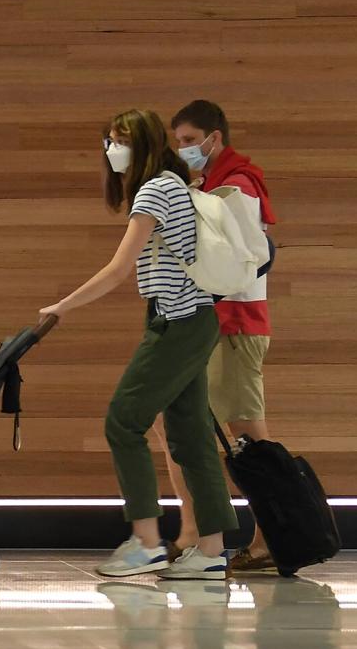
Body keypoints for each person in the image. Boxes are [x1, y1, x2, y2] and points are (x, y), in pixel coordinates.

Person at [39, 108, 238, 580]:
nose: (112, 149)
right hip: (193, 319)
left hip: (178, 323)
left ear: (142, 143)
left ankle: (146, 541)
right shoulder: (173, 183)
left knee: (123, 420)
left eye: (119, 140)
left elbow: (118, 268)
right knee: (191, 438)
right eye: (109, 140)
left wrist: (60, 307)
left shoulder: (156, 189)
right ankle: (210, 552)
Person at [154, 99, 281, 573]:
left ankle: (269, 535)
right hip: (212, 323)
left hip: (234, 323)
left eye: (190, 141)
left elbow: (250, 260)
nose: (184, 149)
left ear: (215, 137)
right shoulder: (210, 185)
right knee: (176, 425)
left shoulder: (238, 187)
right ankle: (193, 532)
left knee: (246, 434)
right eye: (179, 142)